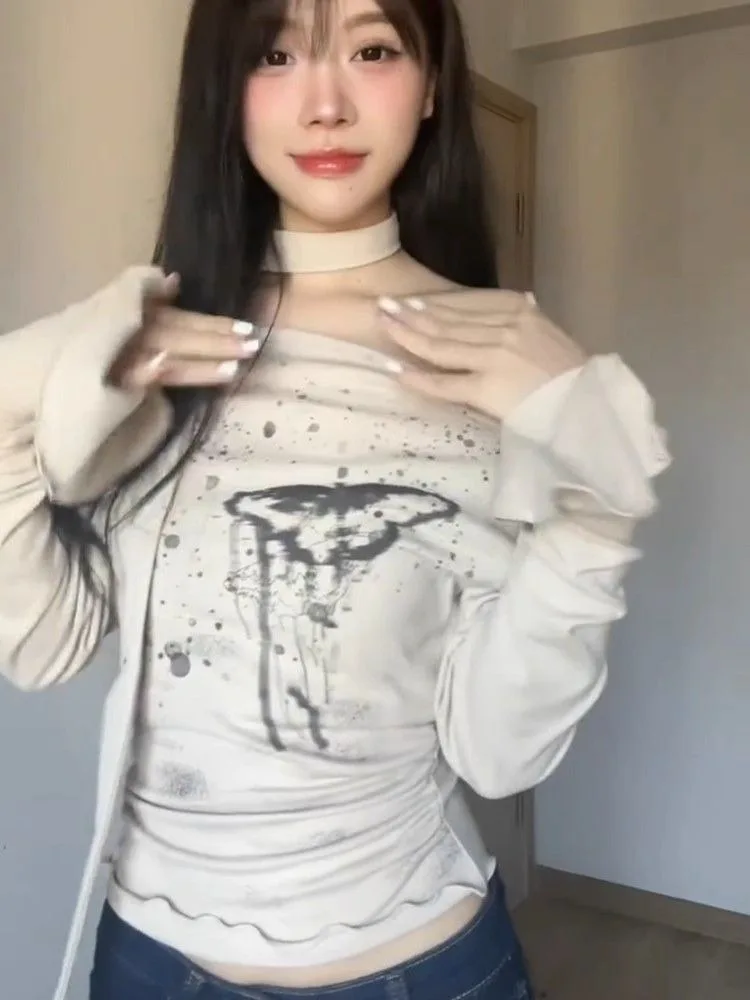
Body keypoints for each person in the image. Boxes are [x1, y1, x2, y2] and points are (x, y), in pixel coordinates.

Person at [0, 1, 671, 998]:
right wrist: (23, 381)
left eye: (372, 49)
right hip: (145, 957)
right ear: (225, 88)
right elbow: (47, 644)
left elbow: (500, 752)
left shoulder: (493, 360)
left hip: (411, 965)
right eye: (275, 54)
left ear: (432, 84)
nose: (326, 103)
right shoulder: (154, 343)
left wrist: (597, 506)